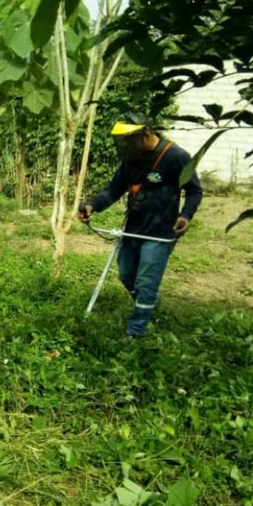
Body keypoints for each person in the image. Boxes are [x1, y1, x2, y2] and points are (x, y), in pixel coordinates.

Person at [78, 113, 203, 339]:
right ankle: (149, 304)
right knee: (126, 275)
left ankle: (135, 333)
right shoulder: (132, 158)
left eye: (130, 140)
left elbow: (194, 190)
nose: (126, 145)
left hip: (159, 234)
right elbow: (114, 189)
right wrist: (92, 205)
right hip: (133, 229)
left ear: (146, 133)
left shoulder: (176, 156)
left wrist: (185, 216)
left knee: (146, 282)